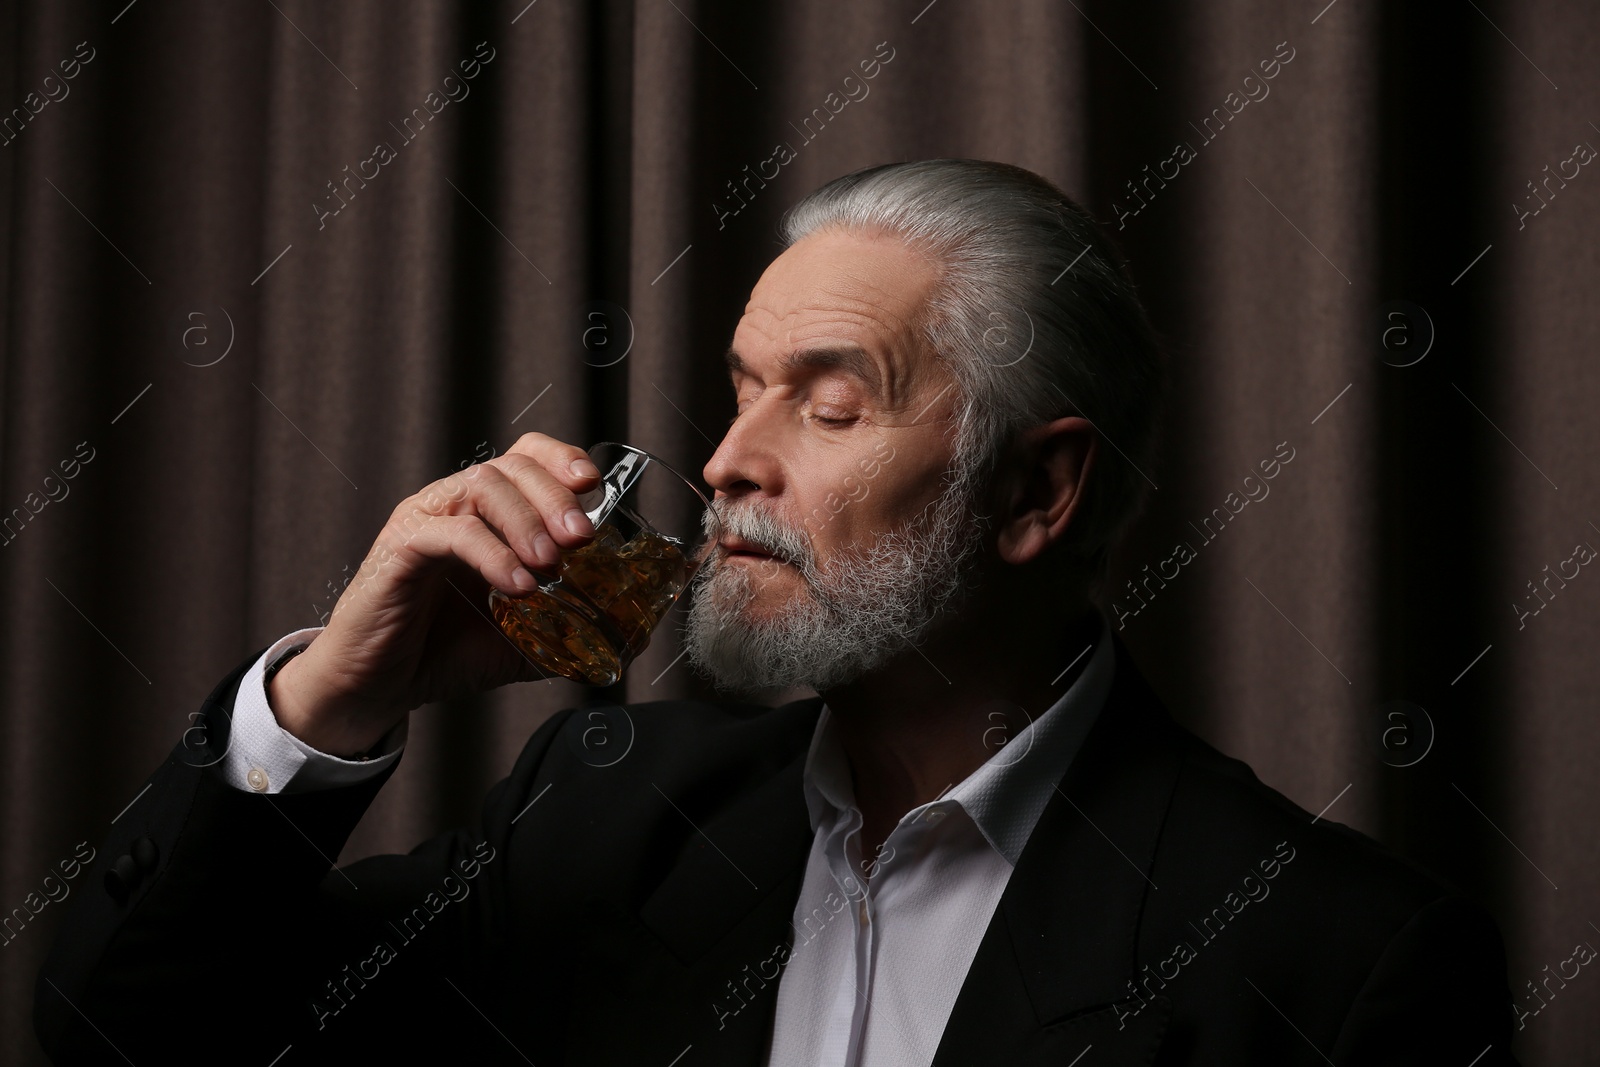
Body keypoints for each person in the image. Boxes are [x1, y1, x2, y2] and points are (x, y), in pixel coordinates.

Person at [35, 160, 1516, 1066]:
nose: (729, 460)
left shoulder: (1341, 966)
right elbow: (128, 1037)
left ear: (1035, 493)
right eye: (741, 392)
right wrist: (331, 706)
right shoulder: (596, 817)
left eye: (828, 403)